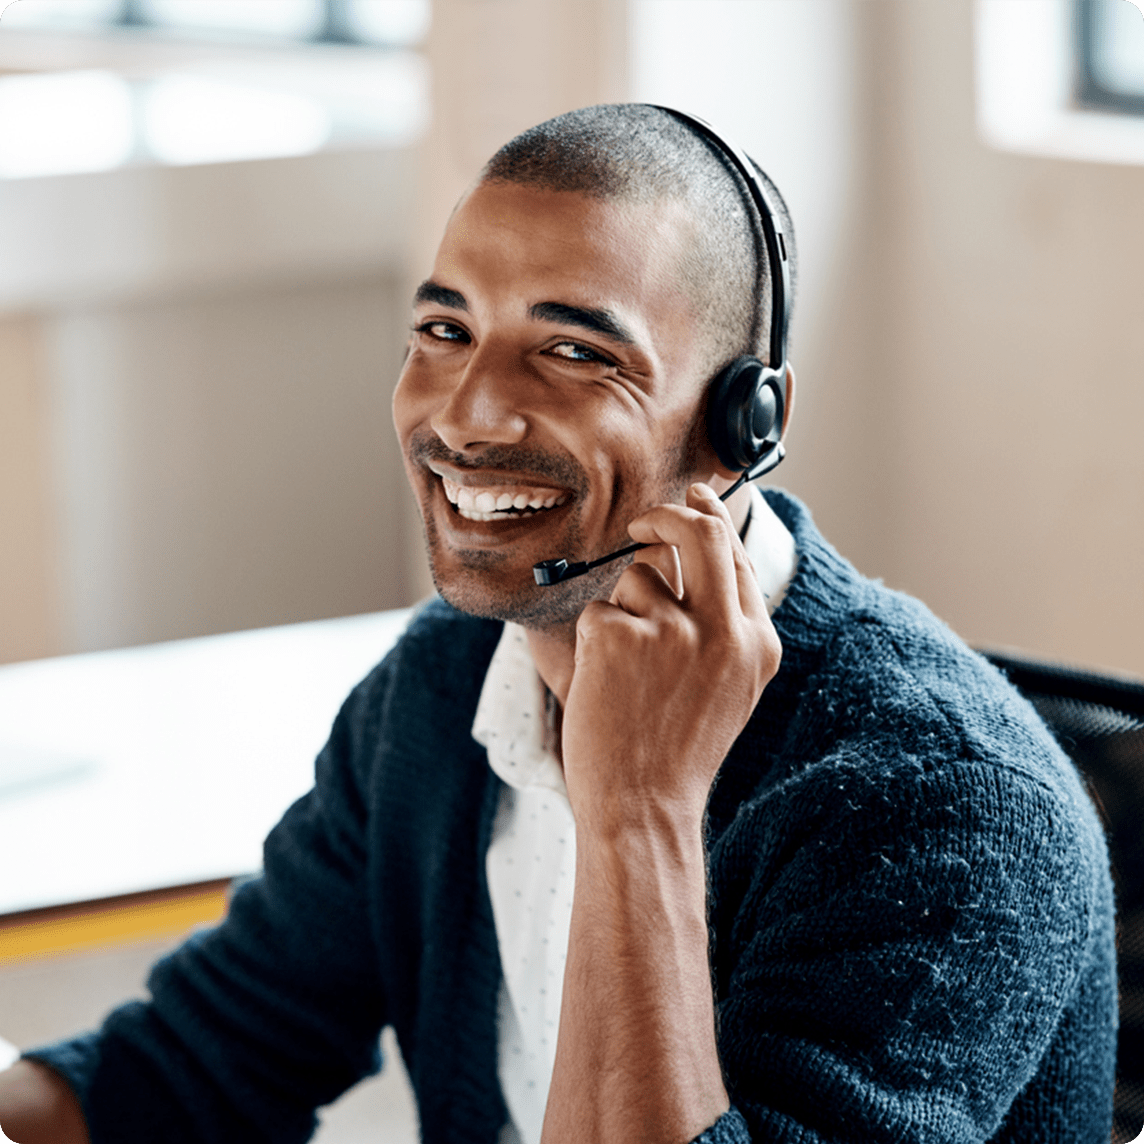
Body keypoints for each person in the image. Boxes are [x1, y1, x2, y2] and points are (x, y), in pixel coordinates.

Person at [0, 104, 1116, 1144]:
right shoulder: (442, 687)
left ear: (744, 422)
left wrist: (637, 812)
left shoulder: (940, 803)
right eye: (444, 328)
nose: (468, 411)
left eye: (577, 351)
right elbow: (189, 1072)